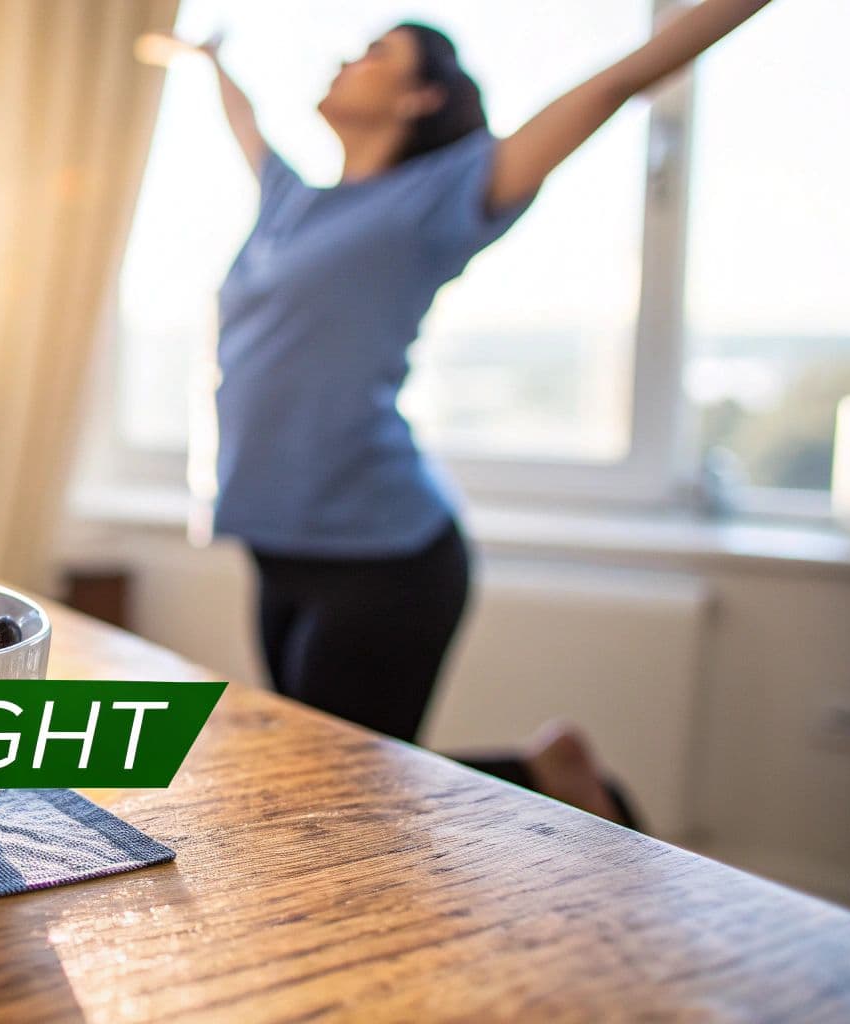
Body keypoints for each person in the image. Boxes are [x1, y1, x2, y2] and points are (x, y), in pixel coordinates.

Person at [195, 0, 774, 823]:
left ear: (421, 96)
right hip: (277, 541)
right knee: (325, 776)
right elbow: (243, 120)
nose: (346, 57)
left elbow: (614, 85)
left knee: (330, 792)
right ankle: (538, 769)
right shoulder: (290, 199)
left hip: (382, 556)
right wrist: (212, 59)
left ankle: (542, 783)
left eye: (377, 51)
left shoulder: (440, 195)